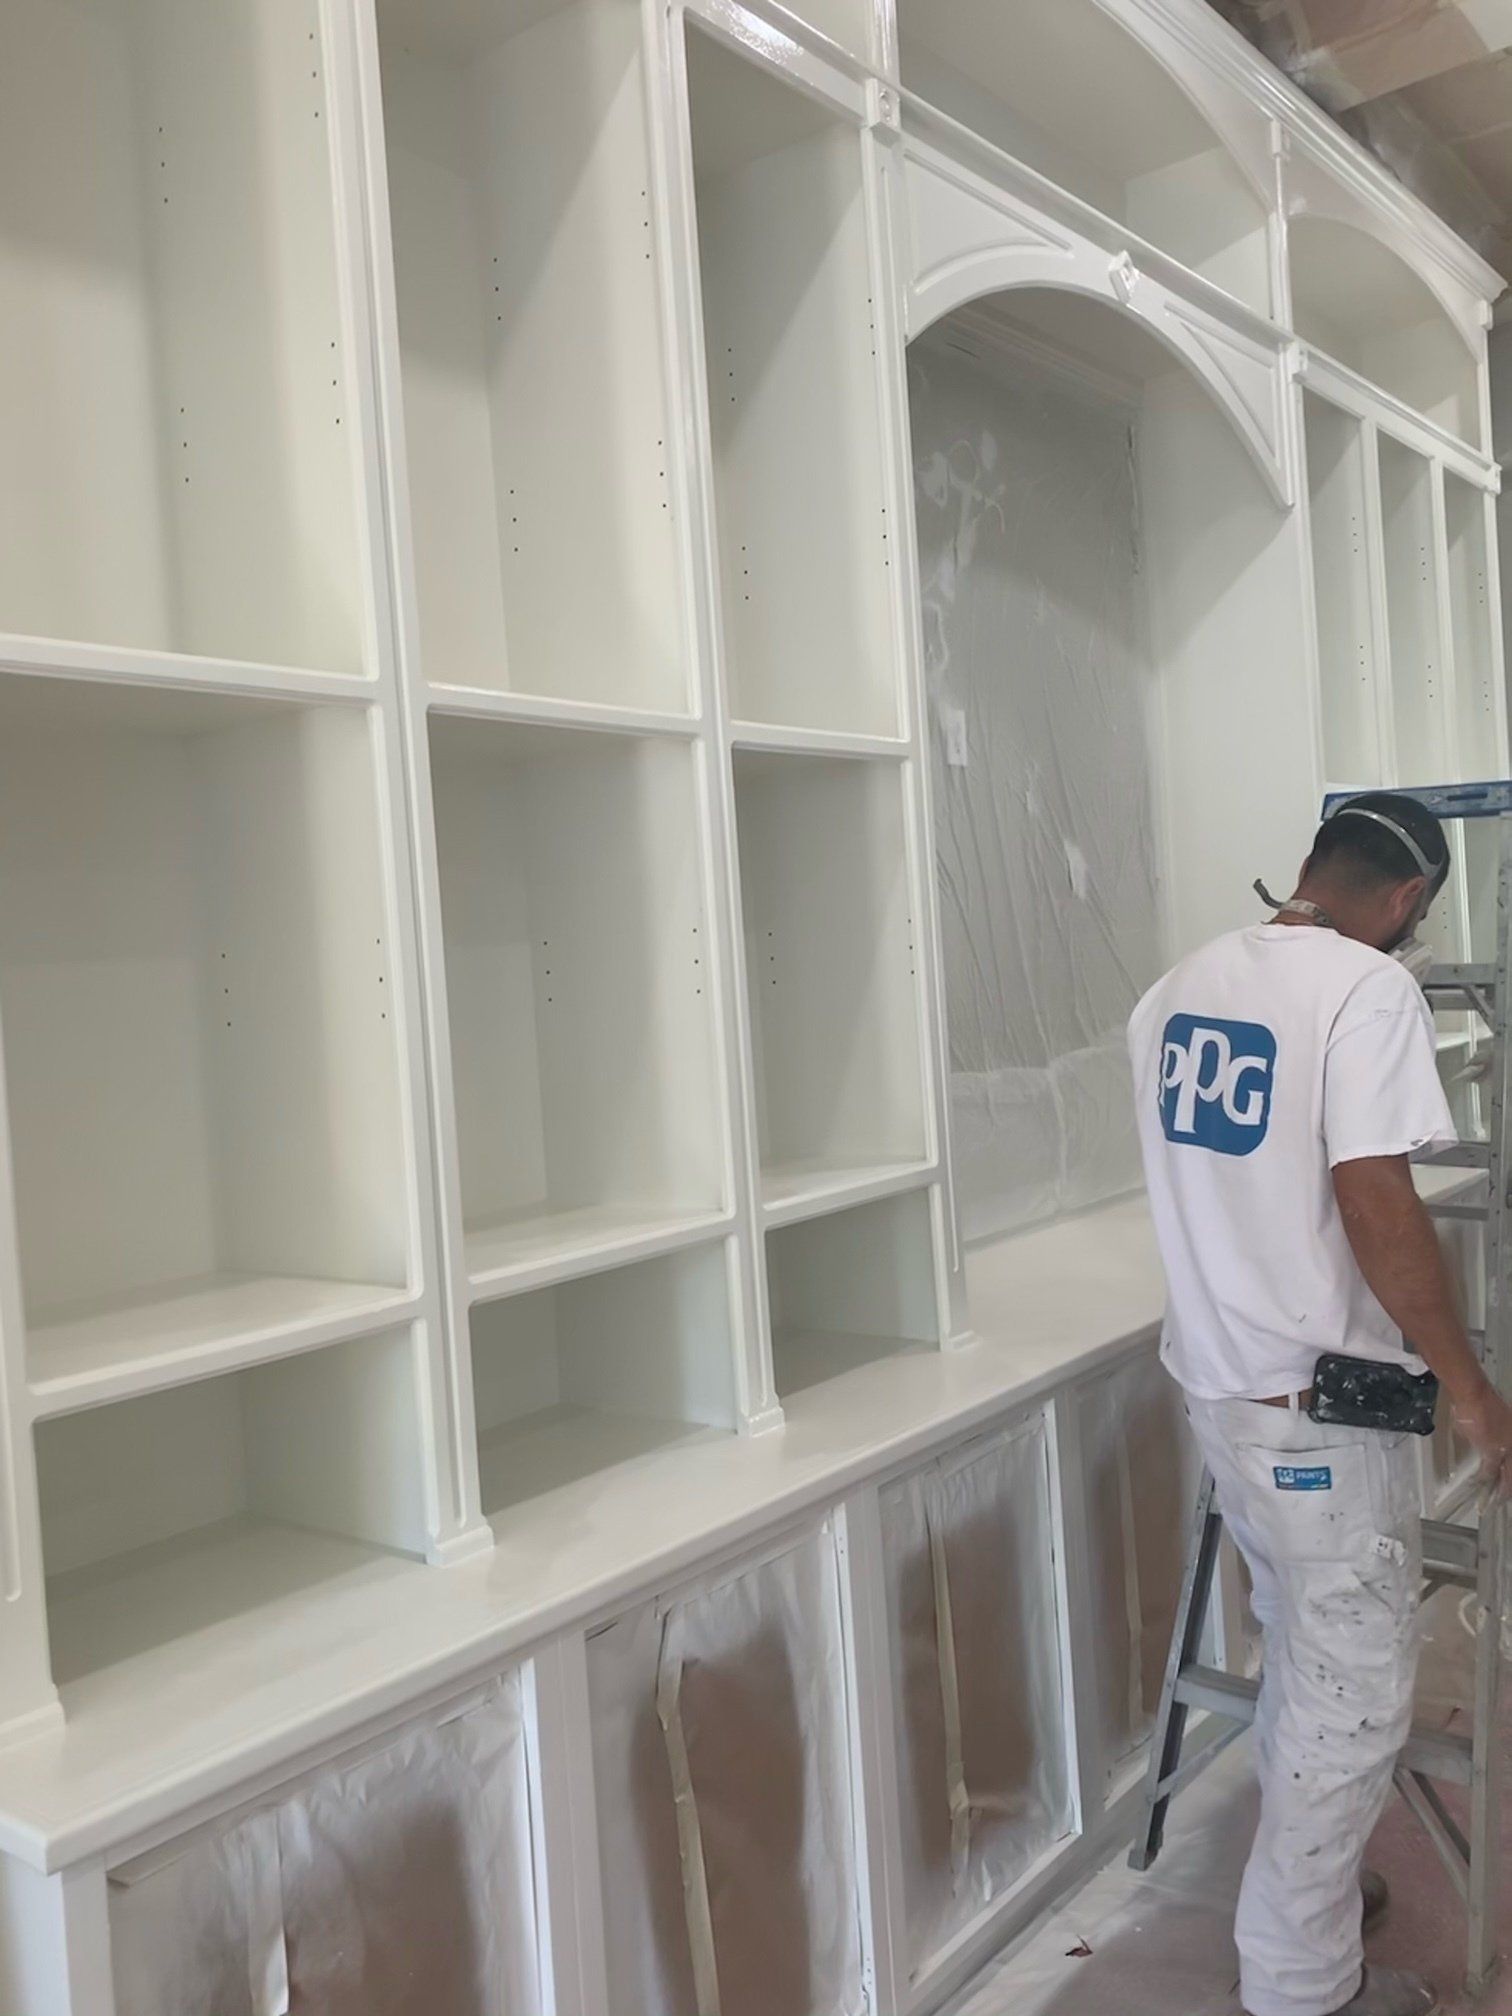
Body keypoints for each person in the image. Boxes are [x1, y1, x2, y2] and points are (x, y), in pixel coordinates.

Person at [1128, 791, 1512, 2016]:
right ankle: (1304, 1987)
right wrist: (1471, 1387)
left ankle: (1314, 1901)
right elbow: (1376, 1202)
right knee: (1348, 1704)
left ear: (1311, 863)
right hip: (1317, 1416)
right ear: (1407, 900)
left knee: (1302, 1654)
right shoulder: (1366, 990)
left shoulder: (1178, 987)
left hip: (1224, 1391)